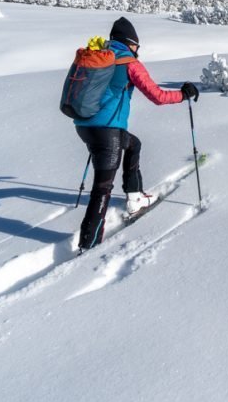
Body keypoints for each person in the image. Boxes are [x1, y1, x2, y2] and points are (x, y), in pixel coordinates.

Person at [75, 17, 199, 251]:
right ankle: (88, 245)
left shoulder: (98, 56)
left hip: (83, 125)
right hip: (107, 130)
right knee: (102, 188)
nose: (137, 50)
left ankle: (135, 197)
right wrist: (183, 95)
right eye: (136, 46)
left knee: (133, 144)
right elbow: (158, 97)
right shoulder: (129, 62)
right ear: (130, 43)